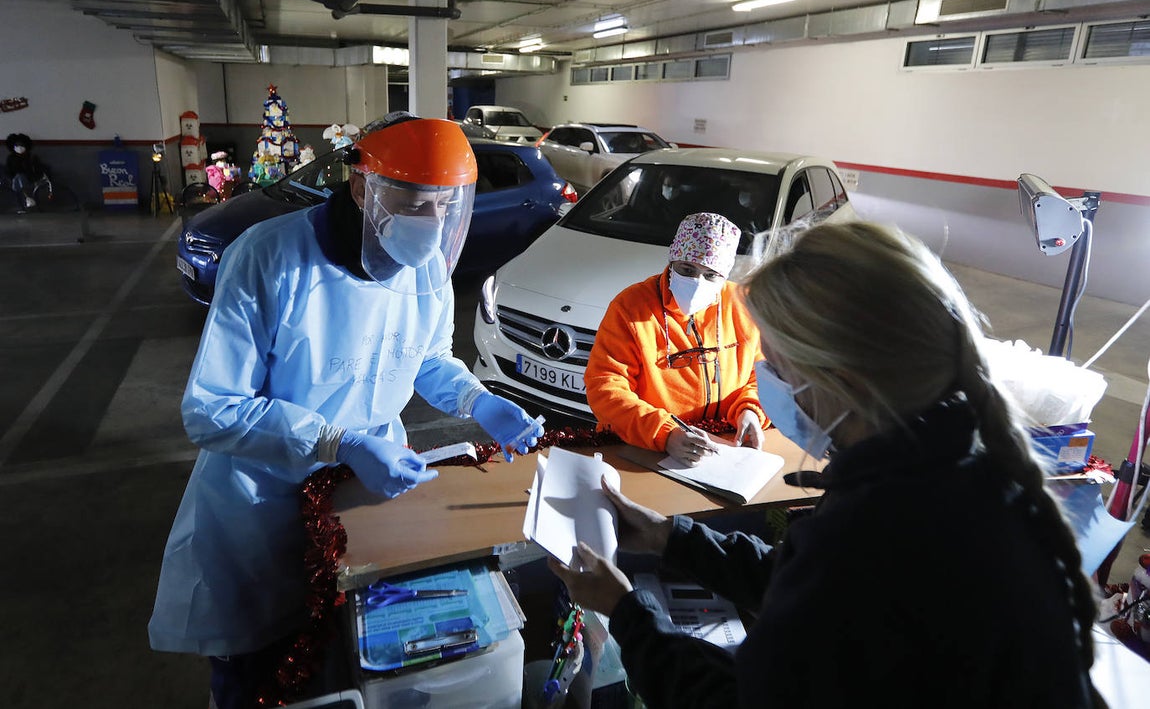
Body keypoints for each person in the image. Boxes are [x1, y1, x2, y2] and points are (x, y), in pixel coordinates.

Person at [553, 220, 1104, 708]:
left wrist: (626, 612)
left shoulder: (875, 530)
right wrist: (670, 536)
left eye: (778, 368)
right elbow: (800, 577)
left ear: (839, 379)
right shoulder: (959, 471)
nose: (771, 385)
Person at [148, 112, 544, 709]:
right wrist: (342, 441)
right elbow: (212, 409)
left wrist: (479, 400)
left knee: (349, 656)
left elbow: (428, 357)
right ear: (363, 187)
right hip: (262, 503)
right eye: (416, 200)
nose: (433, 223)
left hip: (365, 495)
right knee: (256, 669)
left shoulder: (429, 266)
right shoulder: (269, 258)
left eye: (447, 205)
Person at [584, 212, 768, 465]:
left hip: (723, 449)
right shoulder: (631, 307)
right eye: (687, 269)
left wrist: (750, 410)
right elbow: (605, 386)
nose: (696, 282)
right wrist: (664, 433)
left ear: (724, 275)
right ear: (672, 261)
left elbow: (761, 375)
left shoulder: (741, 305)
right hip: (642, 449)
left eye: (710, 275)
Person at [5, 132, 46, 212]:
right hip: (14, 179)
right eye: (17, 145)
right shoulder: (11, 158)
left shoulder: (30, 157)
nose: (19, 147)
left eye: (21, 145)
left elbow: (35, 168)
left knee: (19, 178)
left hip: (29, 178)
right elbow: (9, 169)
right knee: (17, 179)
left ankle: (27, 198)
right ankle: (26, 200)